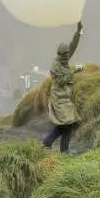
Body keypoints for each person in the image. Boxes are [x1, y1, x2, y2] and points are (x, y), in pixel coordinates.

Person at [42, 21, 83, 153]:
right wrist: (74, 72)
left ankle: (48, 142)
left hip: (65, 97)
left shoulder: (64, 60)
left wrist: (78, 32)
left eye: (67, 55)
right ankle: (63, 150)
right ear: (60, 54)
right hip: (59, 98)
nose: (67, 57)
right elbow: (60, 81)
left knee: (66, 124)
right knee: (67, 124)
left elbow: (73, 46)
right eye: (65, 55)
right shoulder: (55, 65)